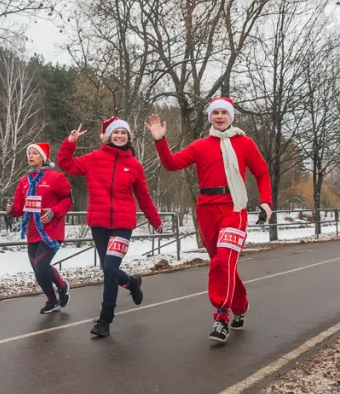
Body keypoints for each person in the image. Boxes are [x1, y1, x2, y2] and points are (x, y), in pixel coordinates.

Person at [146, 97, 272, 343]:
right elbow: (172, 164)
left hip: (234, 209)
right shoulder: (201, 145)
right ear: (210, 117)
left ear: (231, 116)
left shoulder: (245, 143)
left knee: (224, 260)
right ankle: (241, 305)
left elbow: (262, 172)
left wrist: (266, 201)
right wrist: (160, 140)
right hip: (206, 209)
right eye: (216, 113)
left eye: (224, 113)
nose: (220, 117)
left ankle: (221, 317)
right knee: (220, 263)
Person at [58, 117, 163, 338]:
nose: (120, 136)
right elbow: (66, 164)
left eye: (124, 133)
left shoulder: (134, 165)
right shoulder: (94, 158)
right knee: (110, 269)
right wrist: (70, 142)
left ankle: (105, 320)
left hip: (123, 225)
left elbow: (143, 196)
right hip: (99, 223)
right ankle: (132, 282)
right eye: (116, 133)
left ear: (128, 137)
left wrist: (155, 220)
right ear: (108, 136)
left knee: (109, 269)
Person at [7, 142, 73, 314]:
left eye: (35, 153)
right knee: (37, 268)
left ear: (43, 157)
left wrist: (53, 212)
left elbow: (68, 200)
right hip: (32, 231)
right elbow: (19, 208)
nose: (31, 156)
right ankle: (52, 301)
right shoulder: (24, 181)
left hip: (51, 231)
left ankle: (62, 285)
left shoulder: (55, 177)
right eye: (29, 153)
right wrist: (11, 210)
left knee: (41, 265)